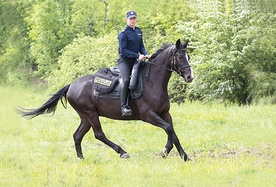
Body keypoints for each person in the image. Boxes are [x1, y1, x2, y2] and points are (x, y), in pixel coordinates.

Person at [118, 10, 150, 116]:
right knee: (126, 80)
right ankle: (124, 106)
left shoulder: (138, 31)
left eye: (134, 18)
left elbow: (141, 46)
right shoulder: (123, 33)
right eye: (130, 18)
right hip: (125, 62)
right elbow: (123, 51)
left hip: (136, 61)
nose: (132, 20)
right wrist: (137, 56)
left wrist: (145, 54)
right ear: (126, 19)